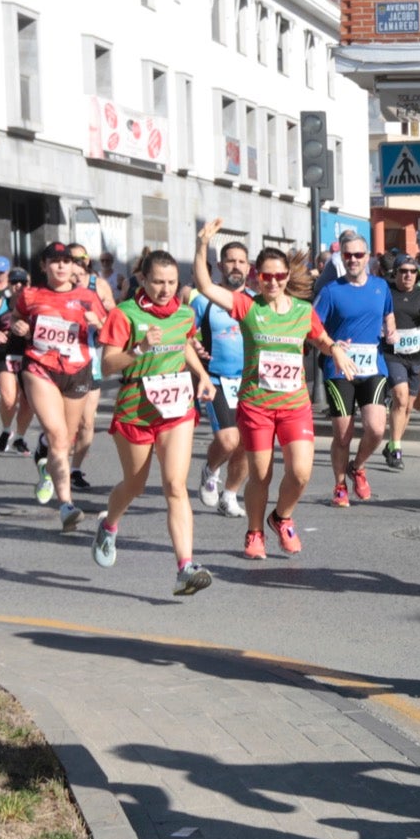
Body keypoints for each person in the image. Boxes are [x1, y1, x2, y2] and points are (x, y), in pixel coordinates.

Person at [193, 219, 354, 559]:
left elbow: (321, 340)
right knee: (261, 476)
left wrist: (336, 349)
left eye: (280, 276)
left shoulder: (302, 311)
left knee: (300, 472)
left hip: (294, 405)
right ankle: (254, 533)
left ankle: (280, 517)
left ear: (286, 278)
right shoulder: (247, 307)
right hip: (256, 406)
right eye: (267, 276)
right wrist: (202, 244)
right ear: (256, 276)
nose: (274, 282)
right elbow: (205, 285)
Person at [91, 250, 215, 596]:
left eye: (172, 283)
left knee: (175, 485)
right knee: (134, 485)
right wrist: (139, 349)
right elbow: (108, 365)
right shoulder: (124, 314)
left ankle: (185, 568)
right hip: (135, 409)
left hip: (176, 407)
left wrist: (202, 376)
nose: (165, 289)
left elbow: (186, 343)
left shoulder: (185, 313)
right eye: (158, 282)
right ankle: (109, 524)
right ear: (142, 280)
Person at [11, 242, 103, 531]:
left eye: (67, 261)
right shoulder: (30, 294)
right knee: (57, 434)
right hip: (40, 366)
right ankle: (67, 505)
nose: (62, 266)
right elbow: (17, 318)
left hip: (77, 369)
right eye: (55, 261)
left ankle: (47, 468)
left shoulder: (88, 296)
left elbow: (111, 327)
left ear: (75, 266)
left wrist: (98, 321)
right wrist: (19, 327)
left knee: (68, 439)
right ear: (44, 265)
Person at [314, 230, 392, 506]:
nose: (353, 260)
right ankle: (339, 486)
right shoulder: (331, 291)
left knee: (376, 429)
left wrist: (391, 332)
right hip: (340, 369)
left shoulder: (381, 286)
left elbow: (387, 314)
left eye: (359, 255)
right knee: (343, 435)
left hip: (373, 365)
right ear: (341, 257)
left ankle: (357, 467)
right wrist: (333, 346)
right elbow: (314, 330)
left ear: (368, 257)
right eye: (348, 255)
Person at [195, 240, 250, 518]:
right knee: (229, 441)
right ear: (220, 266)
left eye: (241, 261)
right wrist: (194, 345)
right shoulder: (204, 300)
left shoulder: (256, 300)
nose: (236, 266)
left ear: (249, 266)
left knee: (247, 444)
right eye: (230, 260)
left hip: (250, 381)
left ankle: (229, 495)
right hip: (216, 378)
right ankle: (210, 469)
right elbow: (185, 333)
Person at [380, 253, 420, 470]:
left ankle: (391, 444)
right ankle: (397, 449)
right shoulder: (387, 293)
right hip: (392, 354)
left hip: (416, 357)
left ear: (418, 274)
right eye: (403, 271)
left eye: (412, 271)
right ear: (396, 273)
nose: (408, 275)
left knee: (407, 406)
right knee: (400, 396)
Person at [63, 244, 115, 492]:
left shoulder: (98, 285)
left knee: (86, 422)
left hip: (90, 357)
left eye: (79, 258)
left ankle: (74, 469)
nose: (74, 263)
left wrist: (102, 316)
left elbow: (115, 321)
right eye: (69, 259)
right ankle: (56, 461)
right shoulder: (58, 288)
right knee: (64, 422)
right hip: (60, 360)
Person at [0, 268, 34, 455]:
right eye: (15, 282)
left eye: (22, 283)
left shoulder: (34, 305)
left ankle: (20, 438)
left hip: (29, 356)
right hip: (6, 355)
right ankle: (6, 429)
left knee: (28, 402)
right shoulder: (0, 303)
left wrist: (29, 333)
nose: (18, 286)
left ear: (28, 284)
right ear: (9, 284)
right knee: (9, 399)